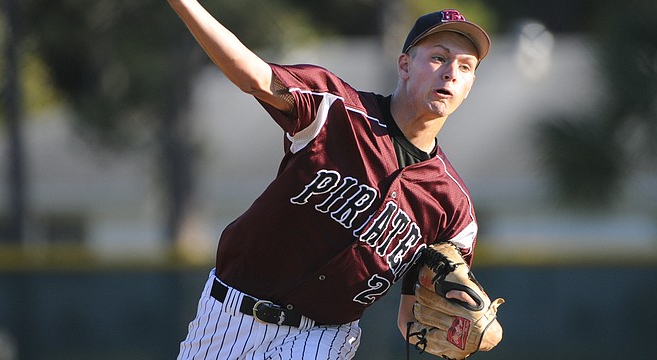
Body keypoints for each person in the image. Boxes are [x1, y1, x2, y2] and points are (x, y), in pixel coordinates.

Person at [168, 1, 502, 359]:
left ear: (470, 85)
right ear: (405, 65)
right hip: (230, 315)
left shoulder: (453, 211)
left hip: (325, 338)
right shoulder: (335, 110)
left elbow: (411, 321)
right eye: (438, 57)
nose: (451, 72)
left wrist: (465, 335)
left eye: (465, 67)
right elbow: (253, 76)